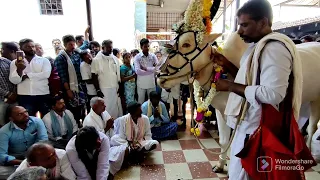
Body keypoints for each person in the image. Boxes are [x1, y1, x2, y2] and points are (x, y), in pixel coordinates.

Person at [215, 1, 316, 179]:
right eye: (239, 25)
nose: (239, 31)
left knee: (243, 175)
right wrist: (227, 65)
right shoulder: (257, 46)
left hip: (256, 129)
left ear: (263, 22)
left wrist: (230, 86)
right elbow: (253, 79)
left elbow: (273, 94)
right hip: (248, 126)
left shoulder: (274, 49)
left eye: (245, 25)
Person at [83, 97, 128, 176]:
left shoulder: (104, 112)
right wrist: (107, 127)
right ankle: (110, 170)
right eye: (102, 105)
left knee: (126, 143)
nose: (105, 106)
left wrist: (112, 125)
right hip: (100, 146)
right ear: (95, 107)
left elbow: (112, 126)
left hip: (110, 139)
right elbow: (96, 139)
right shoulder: (88, 120)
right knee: (123, 150)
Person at [9, 39, 52, 117]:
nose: (31, 48)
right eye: (27, 47)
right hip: (25, 96)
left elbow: (46, 75)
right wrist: (19, 69)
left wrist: (27, 75)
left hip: (42, 94)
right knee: (27, 120)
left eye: (33, 46)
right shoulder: (15, 62)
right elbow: (14, 80)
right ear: (21, 49)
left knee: (47, 119)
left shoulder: (44, 60)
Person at [55, 35, 86, 126]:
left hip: (80, 86)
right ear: (64, 45)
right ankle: (75, 129)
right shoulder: (61, 58)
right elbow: (62, 76)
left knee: (82, 109)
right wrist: (68, 90)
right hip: (70, 88)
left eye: (73, 44)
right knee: (73, 111)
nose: (72, 46)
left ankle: (84, 126)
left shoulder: (76, 54)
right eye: (70, 44)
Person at [92, 40, 123, 119]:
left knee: (116, 109)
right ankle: (107, 126)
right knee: (106, 109)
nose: (111, 49)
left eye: (111, 47)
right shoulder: (96, 60)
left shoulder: (115, 59)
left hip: (115, 88)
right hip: (104, 89)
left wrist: (120, 86)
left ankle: (115, 126)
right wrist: (98, 90)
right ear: (103, 48)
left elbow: (118, 74)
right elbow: (94, 76)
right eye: (108, 47)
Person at [134, 38, 158, 104]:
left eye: (148, 46)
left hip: (151, 83)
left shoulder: (153, 56)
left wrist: (146, 69)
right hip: (141, 84)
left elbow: (157, 69)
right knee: (141, 102)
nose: (147, 48)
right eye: (145, 46)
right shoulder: (137, 57)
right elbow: (138, 71)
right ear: (141, 47)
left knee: (152, 102)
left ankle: (152, 114)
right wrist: (151, 70)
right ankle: (140, 114)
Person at [0, 57, 17, 127]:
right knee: (2, 123)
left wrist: (14, 93)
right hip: (1, 99)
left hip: (15, 98)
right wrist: (8, 94)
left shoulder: (6, 61)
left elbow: (15, 76)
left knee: (17, 120)